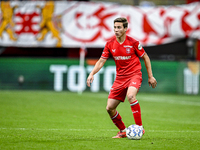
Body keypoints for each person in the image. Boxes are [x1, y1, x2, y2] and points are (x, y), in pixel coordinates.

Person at [87, 17, 157, 138]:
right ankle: (123, 131)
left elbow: (145, 57)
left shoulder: (133, 43)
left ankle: (139, 127)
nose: (116, 30)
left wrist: (150, 76)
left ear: (125, 28)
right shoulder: (110, 44)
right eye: (114, 27)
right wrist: (92, 73)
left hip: (134, 75)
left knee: (131, 96)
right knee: (109, 108)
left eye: (119, 27)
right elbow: (101, 61)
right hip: (120, 78)